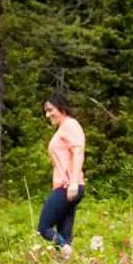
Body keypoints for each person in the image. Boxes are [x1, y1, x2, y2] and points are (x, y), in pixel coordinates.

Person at [39, 96, 86, 250]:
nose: (47, 115)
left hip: (68, 186)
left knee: (43, 227)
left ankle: (67, 251)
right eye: (46, 111)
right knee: (64, 233)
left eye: (50, 110)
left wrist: (73, 182)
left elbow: (78, 152)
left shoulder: (70, 125)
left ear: (62, 108)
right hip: (67, 185)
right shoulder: (63, 128)